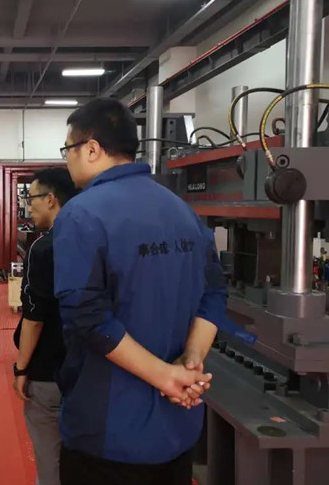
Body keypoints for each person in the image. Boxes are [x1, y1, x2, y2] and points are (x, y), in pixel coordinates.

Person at [54, 98, 227, 485]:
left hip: (110, 432)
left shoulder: (82, 214)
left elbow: (87, 317)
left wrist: (166, 377)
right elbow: (214, 295)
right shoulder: (183, 211)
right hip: (178, 426)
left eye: (68, 149)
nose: (67, 160)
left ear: (92, 149)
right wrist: (190, 361)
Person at [12, 168, 77, 485]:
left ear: (51, 199)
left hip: (49, 372)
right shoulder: (94, 240)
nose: (29, 206)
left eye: (32, 198)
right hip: (87, 370)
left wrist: (21, 368)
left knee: (50, 461)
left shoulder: (44, 248)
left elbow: (35, 317)